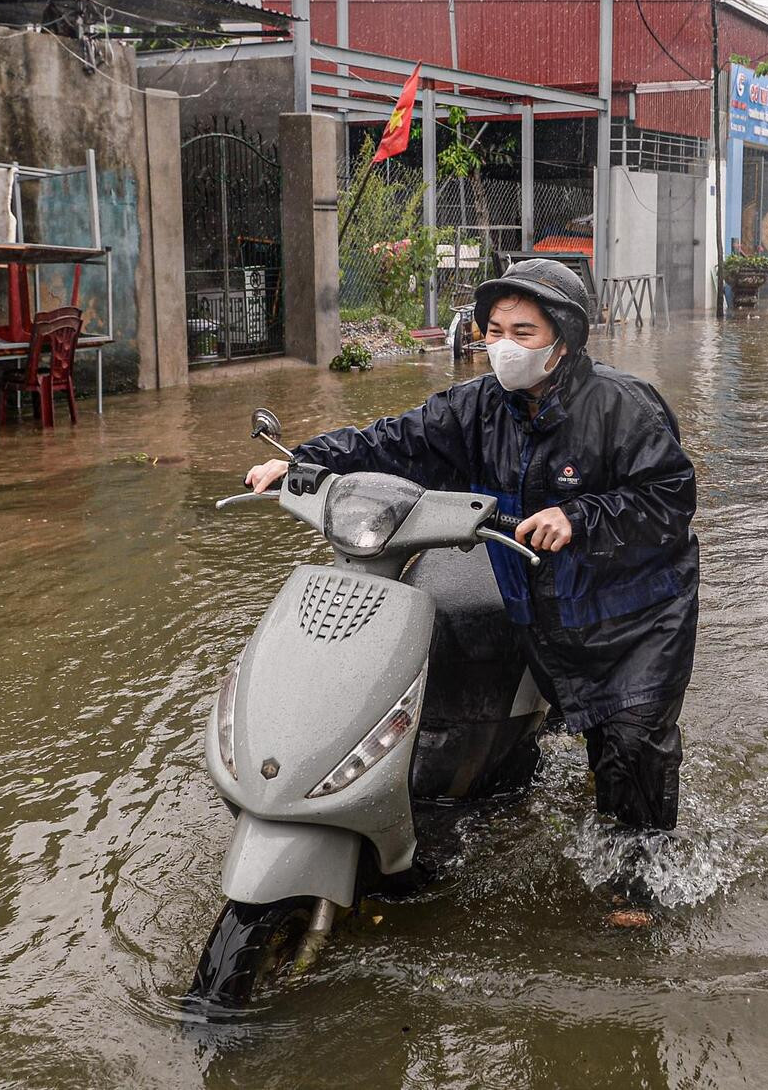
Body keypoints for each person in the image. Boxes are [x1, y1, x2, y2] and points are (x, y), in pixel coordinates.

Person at [244, 260, 699, 832]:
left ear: (564, 339)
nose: (504, 347)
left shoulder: (624, 406)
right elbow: (394, 441)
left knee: (632, 749)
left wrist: (581, 515)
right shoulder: (476, 407)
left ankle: (640, 889)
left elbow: (671, 499)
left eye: (523, 333)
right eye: (495, 332)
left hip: (639, 616)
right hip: (548, 610)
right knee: (585, 732)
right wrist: (303, 463)